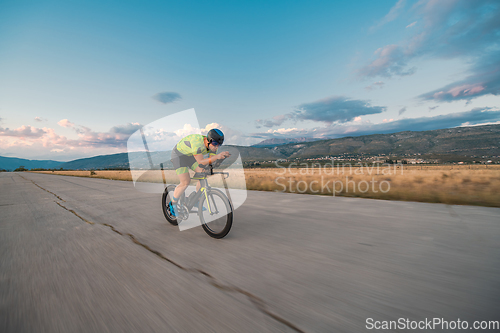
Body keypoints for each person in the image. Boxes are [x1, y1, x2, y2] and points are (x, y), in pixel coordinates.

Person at [168, 128, 230, 217]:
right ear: (209, 140)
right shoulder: (197, 143)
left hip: (190, 156)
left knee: (203, 173)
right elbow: (201, 161)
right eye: (215, 144)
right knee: (185, 182)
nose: (216, 147)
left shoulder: (213, 146)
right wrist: (217, 157)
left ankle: (196, 200)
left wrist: (221, 159)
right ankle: (173, 204)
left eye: (219, 145)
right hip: (179, 156)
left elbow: (211, 162)